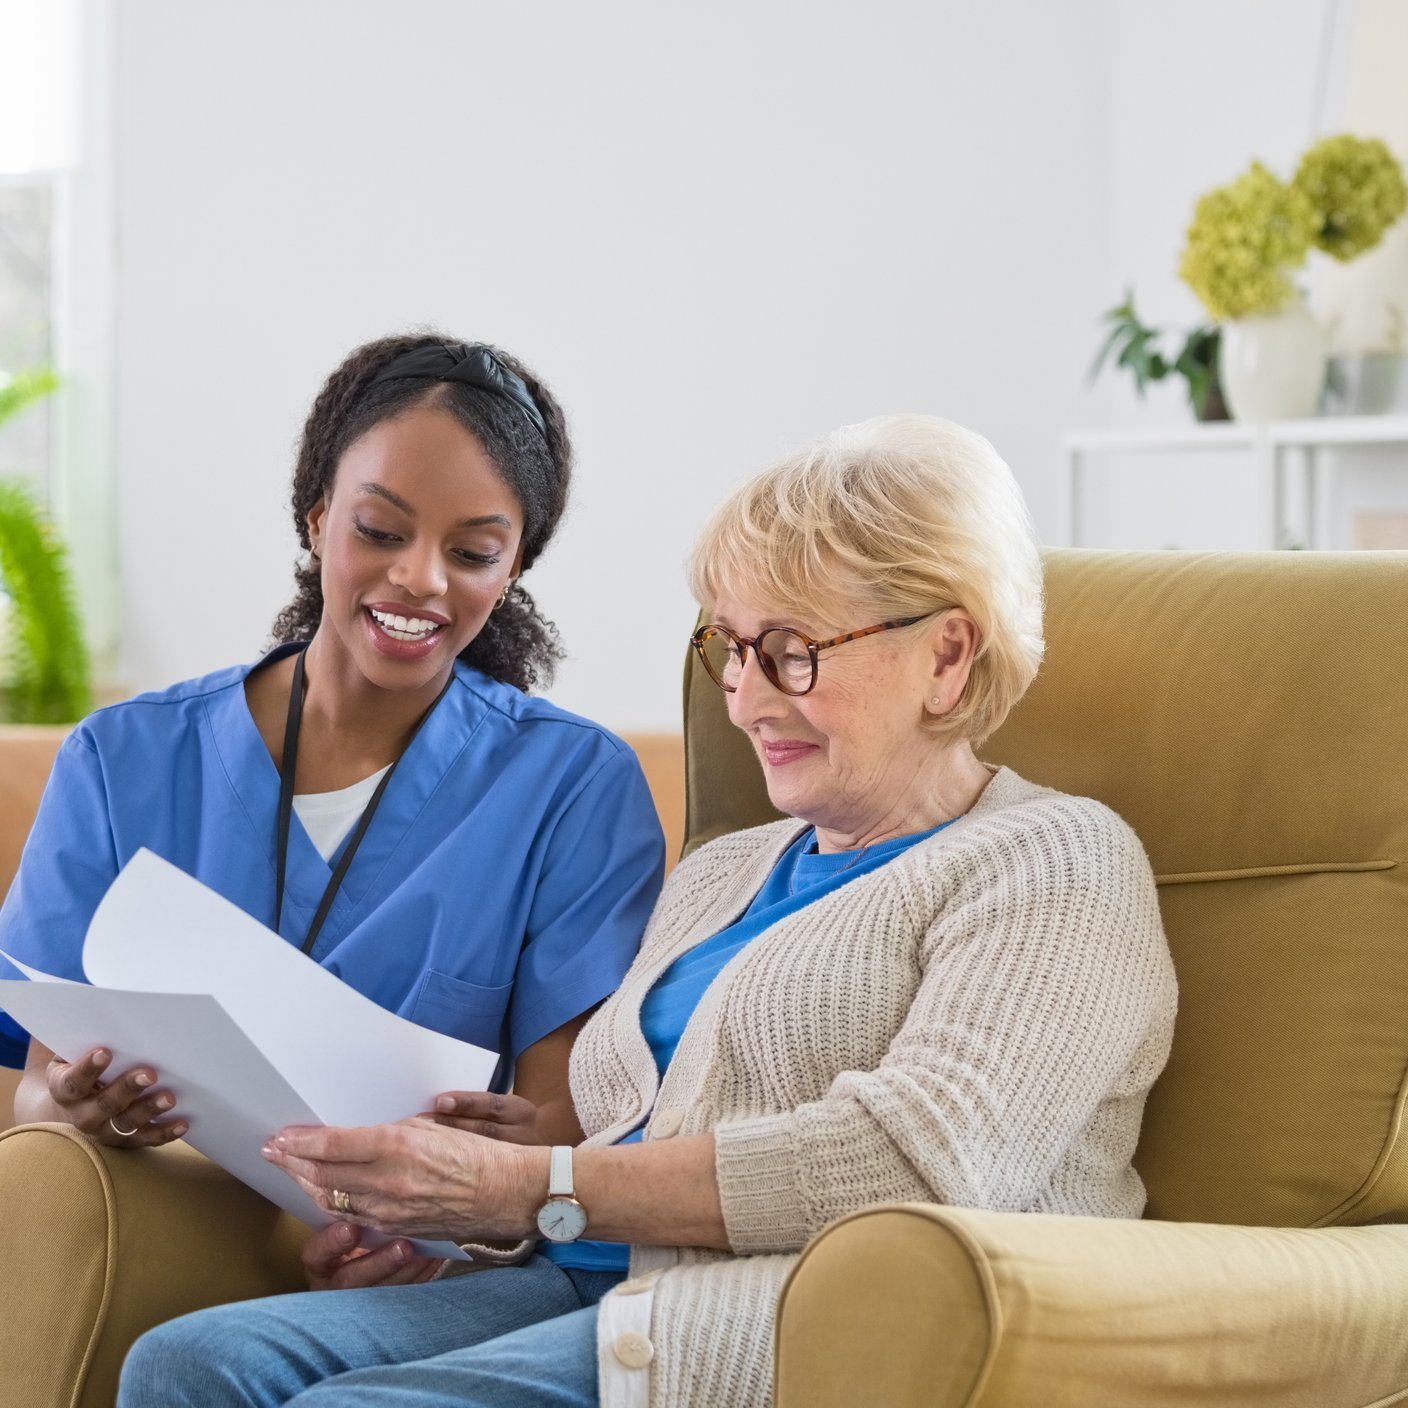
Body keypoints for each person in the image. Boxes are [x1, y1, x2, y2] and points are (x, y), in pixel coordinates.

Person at [118, 413, 1177, 1408]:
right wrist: (451, 1213)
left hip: (792, 1309)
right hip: (592, 1281)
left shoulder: (1053, 860)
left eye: (793, 650)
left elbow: (915, 1159)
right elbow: (630, 1149)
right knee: (191, 1363)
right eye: (734, 648)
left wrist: (523, 1182)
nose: (750, 699)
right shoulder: (727, 871)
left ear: (946, 653)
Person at [0, 332, 664, 1155]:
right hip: (161, 1218)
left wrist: (486, 1183)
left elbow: (563, 1121)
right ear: (318, 520)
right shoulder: (118, 761)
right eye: (381, 531)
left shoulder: (574, 791)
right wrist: (72, 1107)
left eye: (473, 553)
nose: (422, 577)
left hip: (409, 1255)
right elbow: (32, 1093)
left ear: (514, 565)